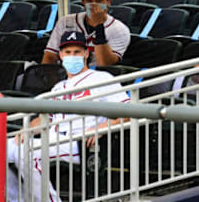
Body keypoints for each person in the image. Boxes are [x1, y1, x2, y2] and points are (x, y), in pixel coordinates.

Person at [8, 31, 129, 202]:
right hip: (53, 138)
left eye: (77, 52)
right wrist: (27, 129)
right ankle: (16, 199)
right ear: (60, 55)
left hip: (79, 143)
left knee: (26, 153)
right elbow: (46, 118)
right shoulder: (59, 86)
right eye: (68, 52)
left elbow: (129, 112)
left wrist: (102, 128)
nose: (72, 56)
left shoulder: (101, 78)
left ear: (87, 53)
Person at [42, 0, 130, 68]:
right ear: (83, 2)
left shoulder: (120, 30)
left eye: (99, 0)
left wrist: (99, 26)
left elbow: (104, 64)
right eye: (89, 1)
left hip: (99, 78)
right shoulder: (65, 22)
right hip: (67, 75)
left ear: (108, 1)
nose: (94, 5)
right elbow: (50, 57)